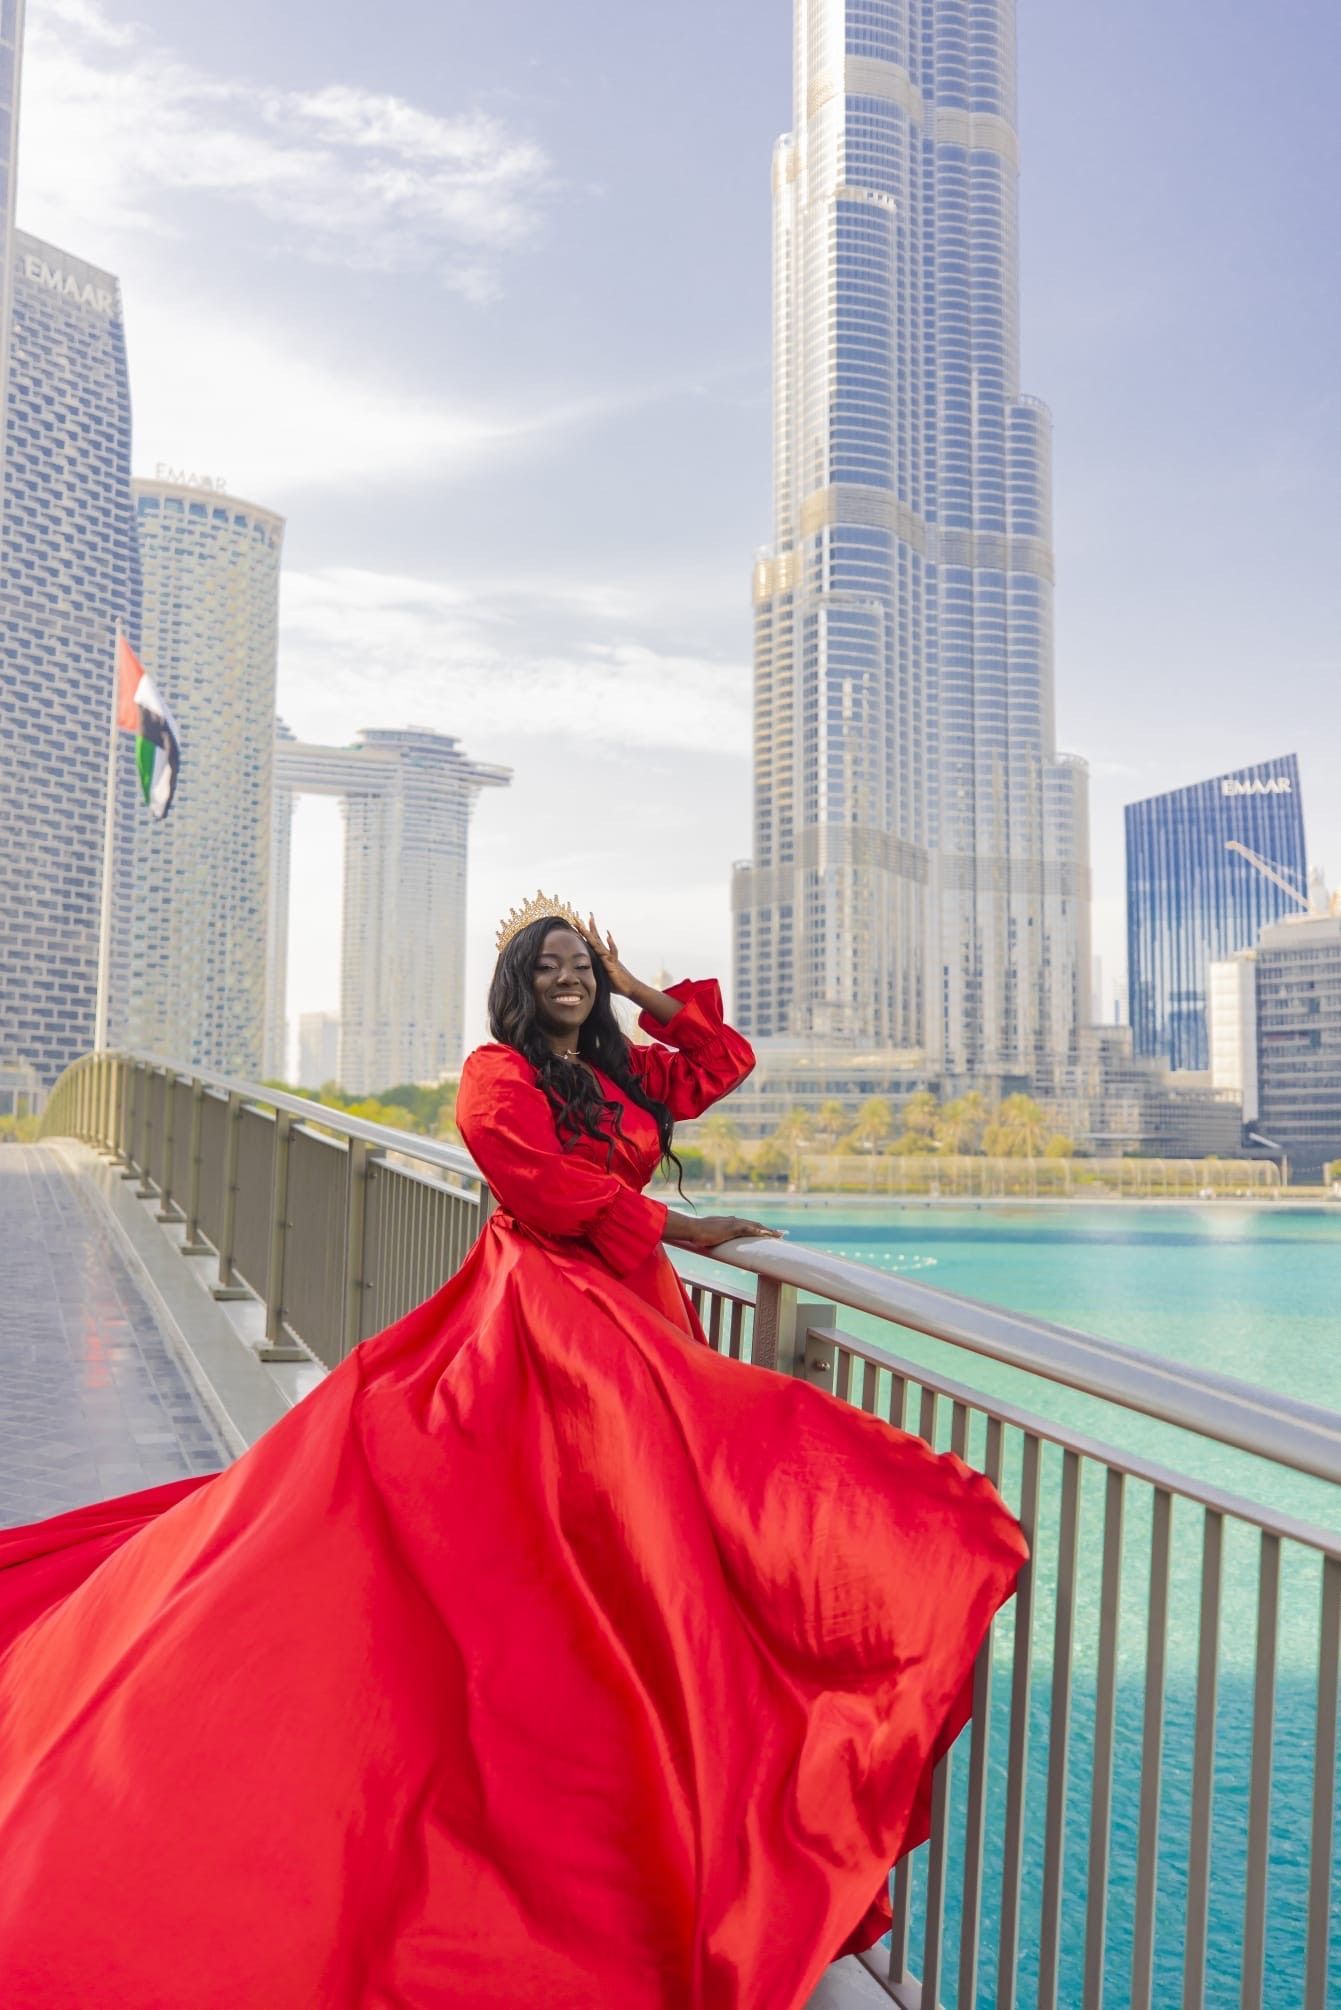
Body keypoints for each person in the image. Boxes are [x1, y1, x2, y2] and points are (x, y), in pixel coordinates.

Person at [0, 894, 1025, 2009]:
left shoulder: (626, 1072)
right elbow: (530, 1180)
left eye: (582, 964)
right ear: (520, 986)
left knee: (650, 1529)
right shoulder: (500, 1072)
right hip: (547, 1309)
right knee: (567, 1523)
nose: (568, 978)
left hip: (634, 1309)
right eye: (551, 966)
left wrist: (639, 991)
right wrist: (682, 1228)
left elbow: (723, 1060)